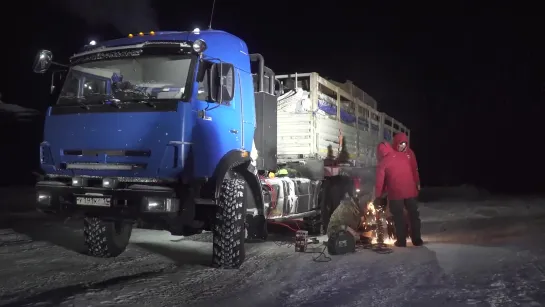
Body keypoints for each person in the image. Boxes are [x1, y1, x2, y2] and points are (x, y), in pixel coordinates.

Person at [374, 141, 423, 247]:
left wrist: (378, 197)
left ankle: (401, 241)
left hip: (396, 193)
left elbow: (379, 183)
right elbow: (413, 170)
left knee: (398, 217)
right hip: (411, 191)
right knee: (413, 215)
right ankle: (417, 240)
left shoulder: (383, 163)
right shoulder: (403, 156)